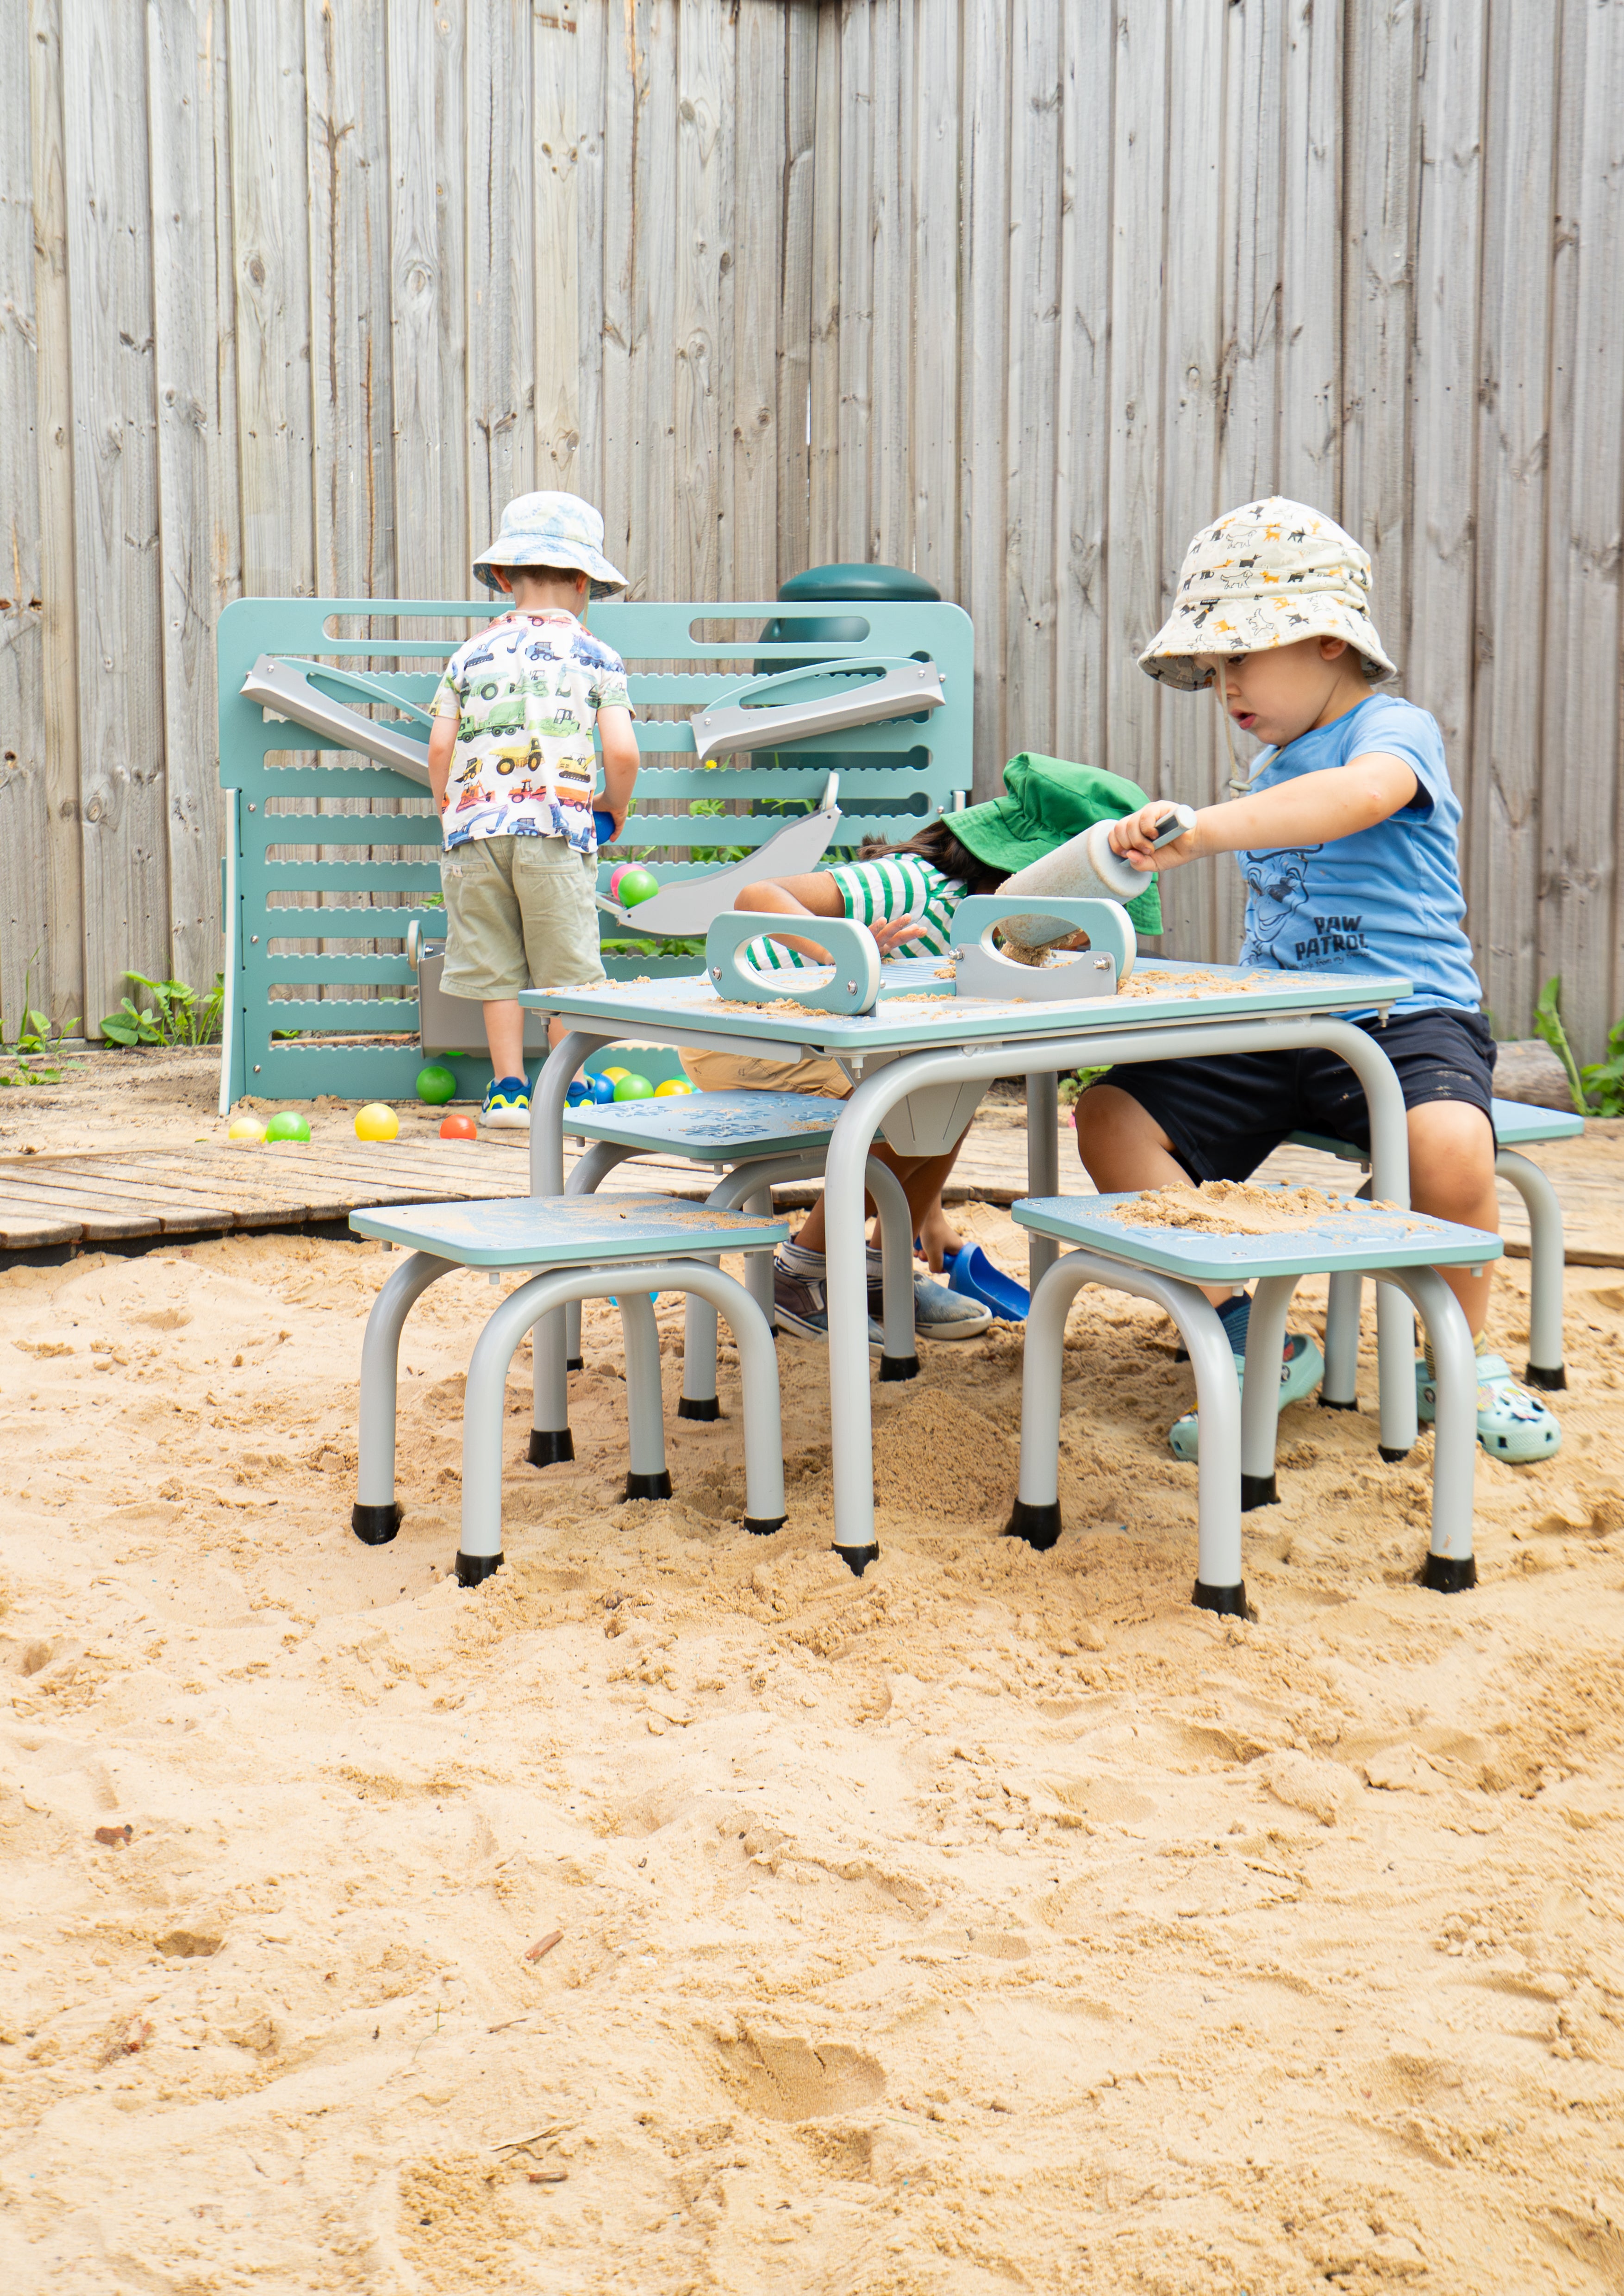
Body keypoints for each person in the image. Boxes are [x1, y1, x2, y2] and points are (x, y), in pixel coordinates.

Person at [1072, 495, 1560, 1462]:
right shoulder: (1271, 761)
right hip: (1277, 1020)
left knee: (1449, 1147)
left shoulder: (1392, 730)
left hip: (1402, 1014)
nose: (1224, 685)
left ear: (1326, 640)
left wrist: (1205, 826)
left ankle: (1458, 1357)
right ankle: (1254, 1330)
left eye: (1238, 658)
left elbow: (1354, 799)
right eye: (1211, 670)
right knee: (1109, 1116)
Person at [679, 753, 1164, 1348]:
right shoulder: (914, 887)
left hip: (843, 1052)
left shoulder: (1000, 945)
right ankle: (800, 1272)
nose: (1078, 941)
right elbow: (758, 893)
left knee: (960, 1071)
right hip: (749, 1036)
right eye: (1080, 919)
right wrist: (842, 956)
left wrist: (926, 1210)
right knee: (924, 1085)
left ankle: (881, 1272)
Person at [427, 492, 639, 1128]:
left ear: (501, 577)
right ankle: (567, 1088)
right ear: (584, 582)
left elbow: (440, 745)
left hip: (475, 833)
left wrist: (448, 802)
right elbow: (623, 752)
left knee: (494, 964)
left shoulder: (469, 654)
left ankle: (509, 1091)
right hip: (555, 828)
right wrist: (612, 804)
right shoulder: (598, 656)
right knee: (564, 965)